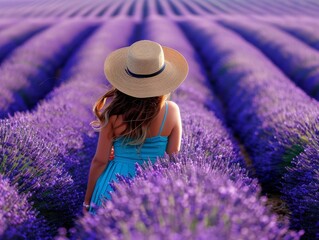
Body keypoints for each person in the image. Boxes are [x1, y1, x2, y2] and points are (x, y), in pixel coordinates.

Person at [82, 40, 189, 215]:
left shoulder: (113, 115)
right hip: (152, 188)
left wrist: (87, 201)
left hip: (113, 187)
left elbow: (99, 161)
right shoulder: (172, 111)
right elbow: (173, 159)